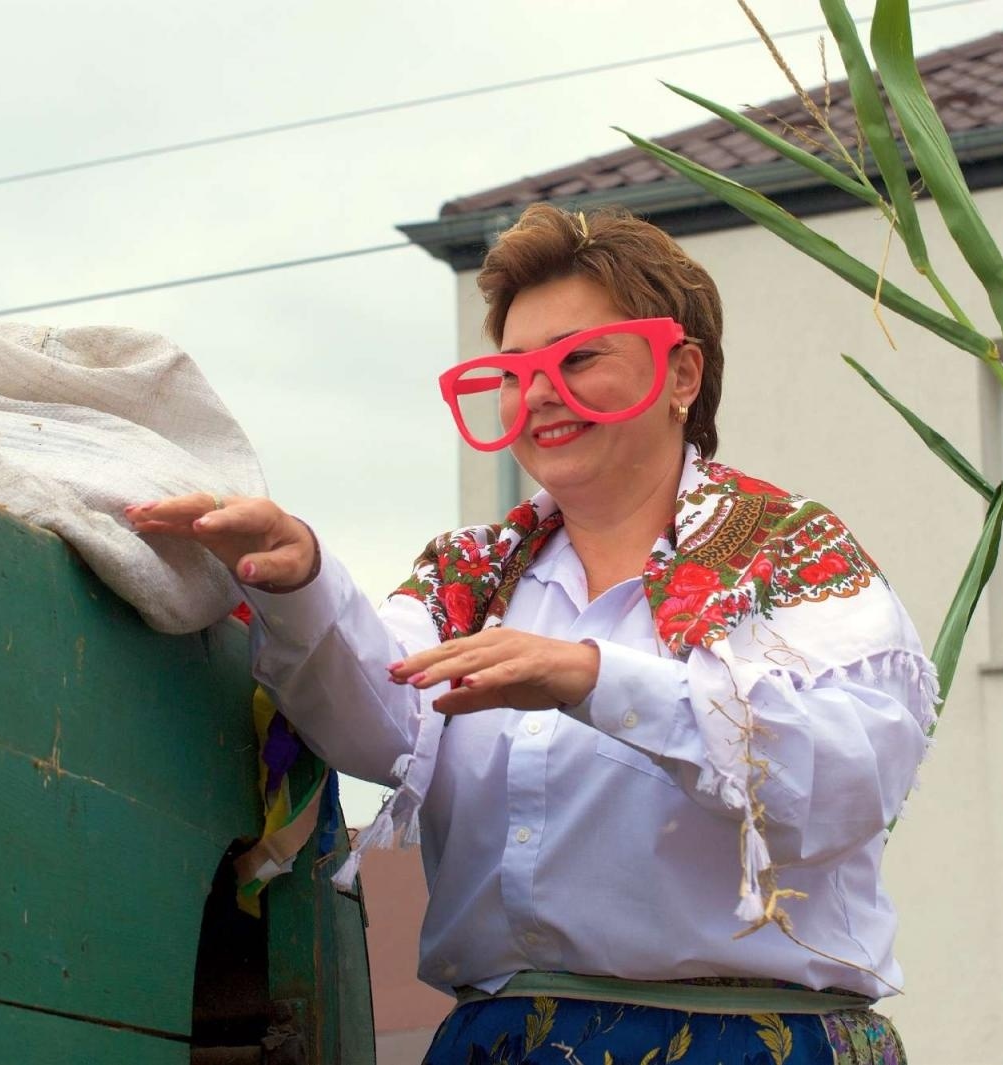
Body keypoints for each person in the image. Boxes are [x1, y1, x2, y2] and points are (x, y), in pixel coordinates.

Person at [127, 204, 935, 1064]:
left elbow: (849, 777)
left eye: (579, 357)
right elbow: (378, 721)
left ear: (682, 375)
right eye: (514, 371)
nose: (541, 392)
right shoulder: (473, 576)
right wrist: (302, 576)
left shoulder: (789, 552)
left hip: (752, 1042)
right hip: (502, 1043)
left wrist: (595, 679)